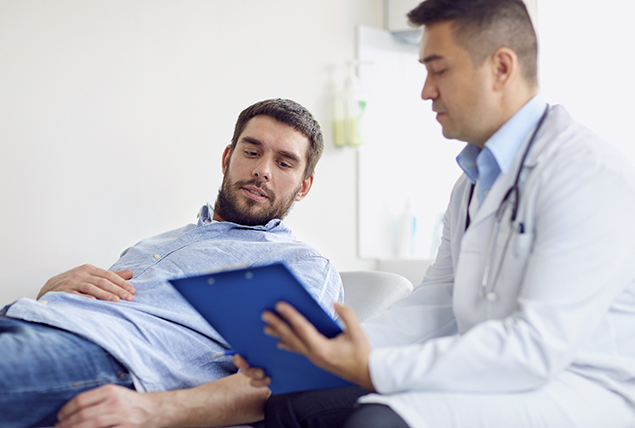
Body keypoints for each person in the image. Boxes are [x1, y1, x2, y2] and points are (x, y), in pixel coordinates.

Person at [238, 1, 635, 427]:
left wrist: (373, 367)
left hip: (574, 389)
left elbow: (535, 348)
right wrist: (323, 350)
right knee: (294, 401)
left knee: (379, 422)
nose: (426, 90)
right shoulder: (471, 184)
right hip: (492, 373)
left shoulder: (586, 174)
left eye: (439, 70)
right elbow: (436, 304)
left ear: (501, 68)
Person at [0, 98, 344, 428]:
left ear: (304, 187)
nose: (262, 170)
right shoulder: (155, 243)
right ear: (227, 158)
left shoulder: (302, 264)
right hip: (25, 316)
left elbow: (281, 380)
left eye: (284, 163)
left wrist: (151, 410)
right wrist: (50, 289)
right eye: (251, 152)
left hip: (107, 354)